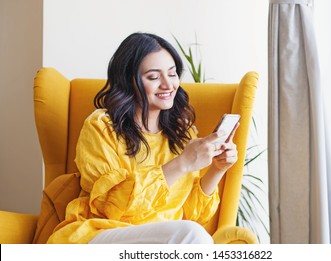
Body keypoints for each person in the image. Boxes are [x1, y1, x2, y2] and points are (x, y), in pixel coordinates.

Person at [47, 32, 239, 244]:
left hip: (159, 244)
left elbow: (192, 216)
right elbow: (110, 206)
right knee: (191, 235)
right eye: (154, 77)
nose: (168, 85)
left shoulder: (183, 134)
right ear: (129, 82)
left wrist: (217, 169)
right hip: (99, 234)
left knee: (191, 234)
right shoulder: (101, 127)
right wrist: (182, 163)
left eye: (173, 73)